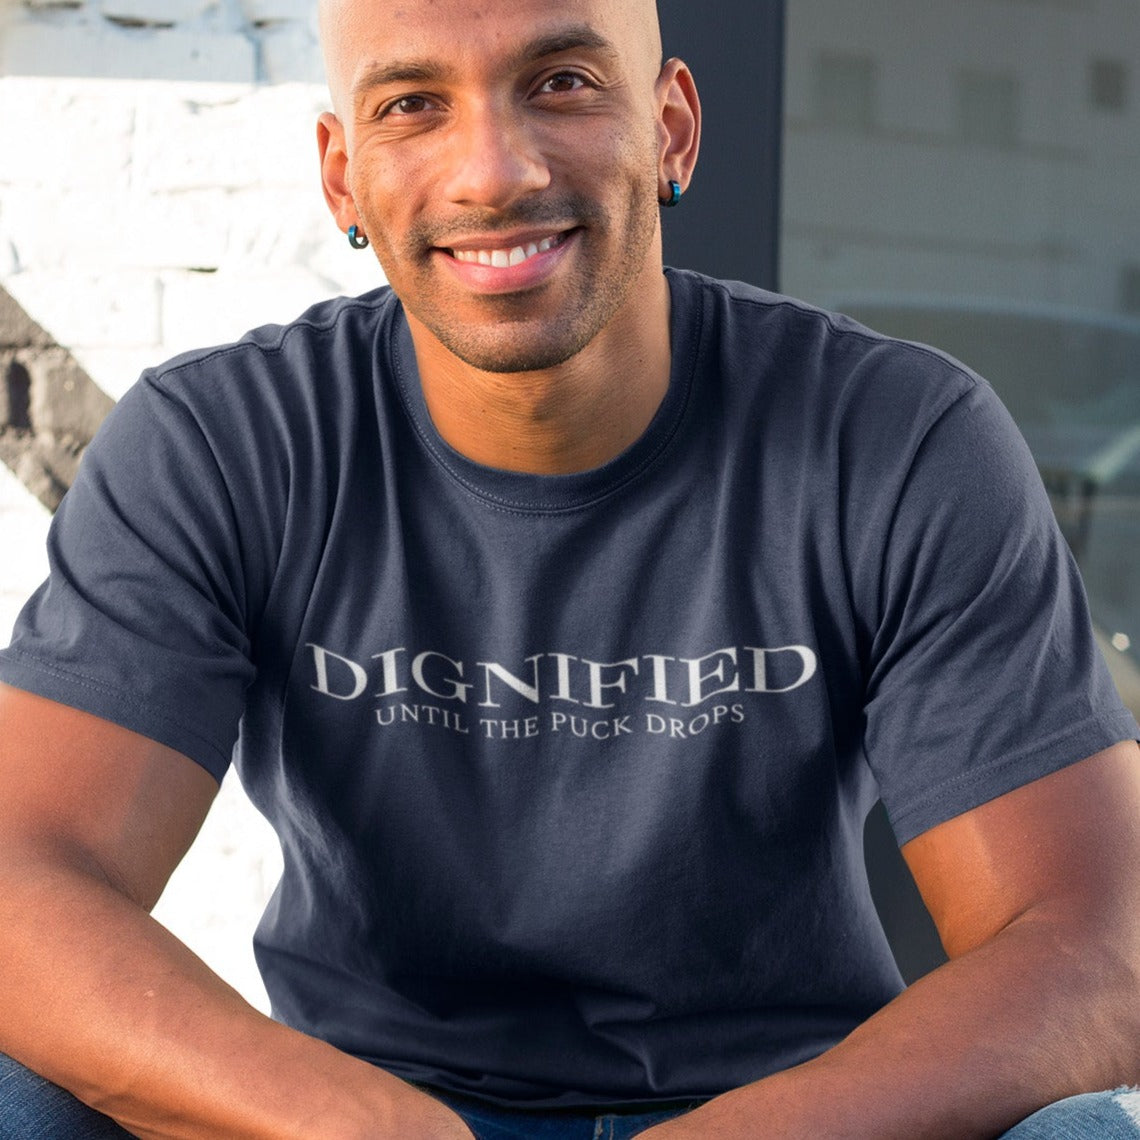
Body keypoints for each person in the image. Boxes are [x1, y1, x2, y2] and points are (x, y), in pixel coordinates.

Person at [1, 0, 1139, 1136]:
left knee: (1086, 1131)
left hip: (785, 1115)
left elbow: (1094, 948)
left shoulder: (896, 437)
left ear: (672, 128)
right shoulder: (225, 443)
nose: (493, 172)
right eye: (413, 105)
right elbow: (24, 879)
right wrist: (367, 1129)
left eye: (562, 84)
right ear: (343, 178)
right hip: (379, 1110)